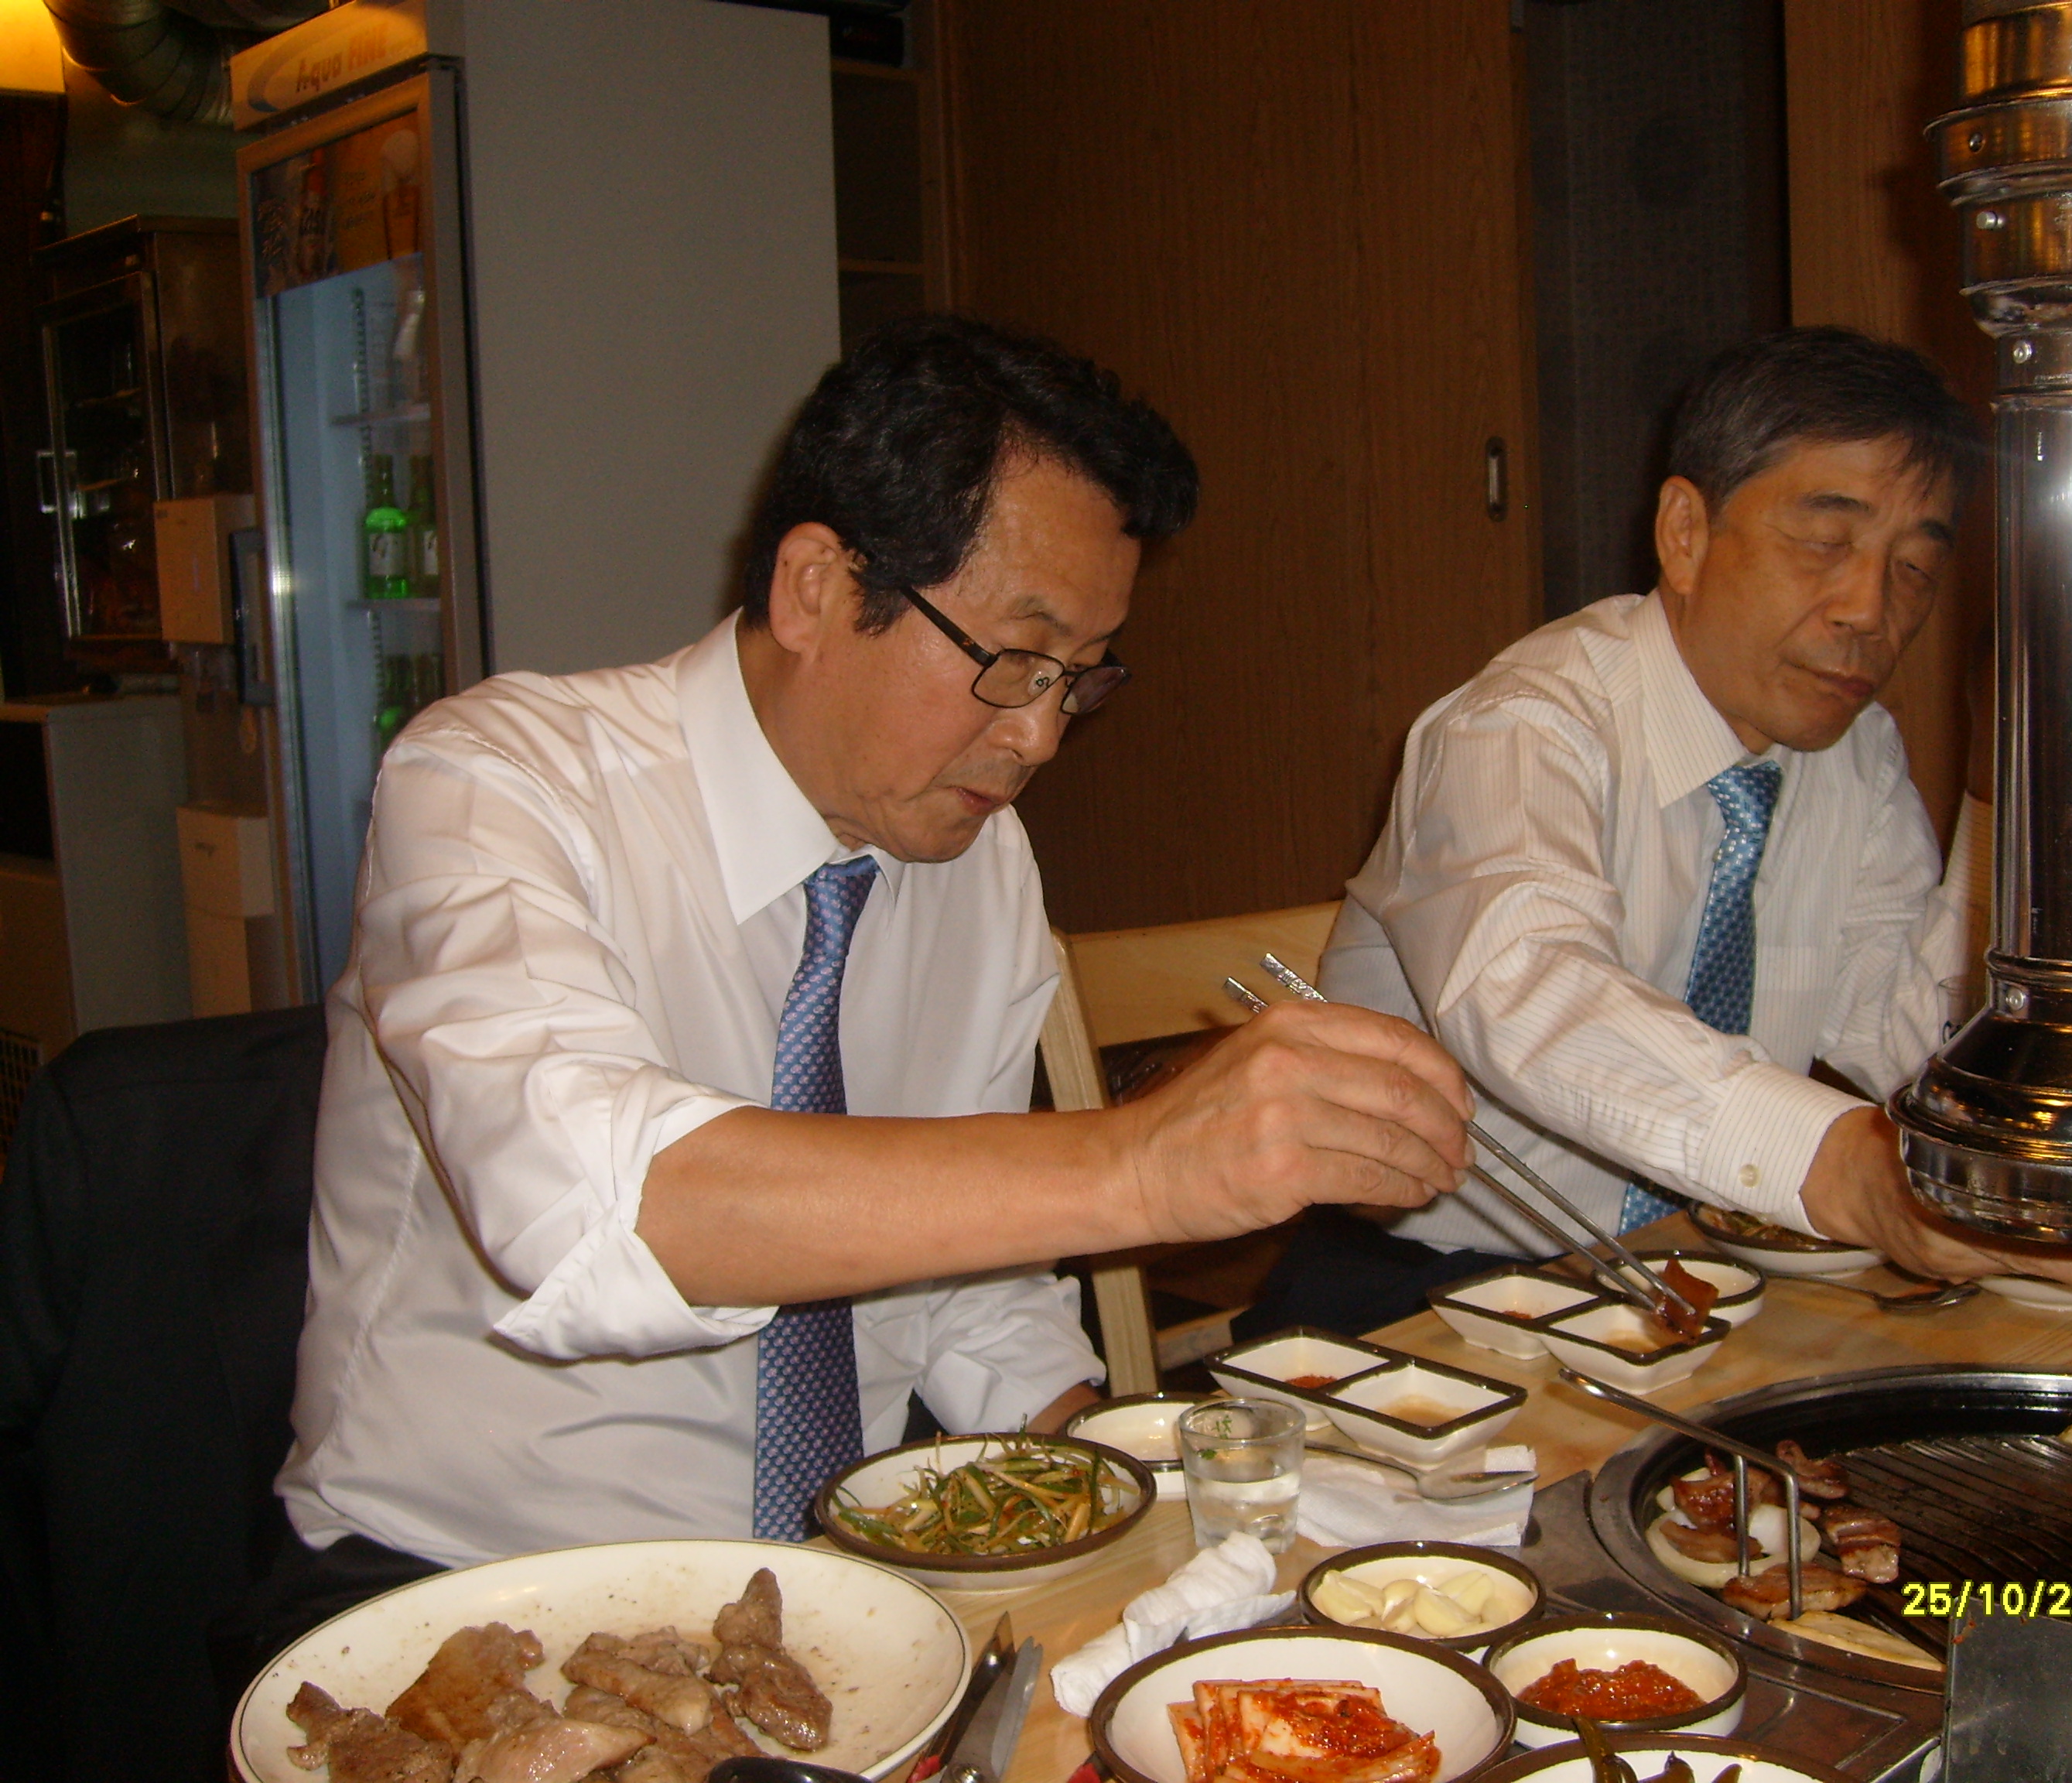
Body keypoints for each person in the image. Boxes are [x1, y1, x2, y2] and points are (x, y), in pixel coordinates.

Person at [259, 316, 1473, 1636]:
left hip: (853, 1586)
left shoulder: (976, 860)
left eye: (1079, 679)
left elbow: (967, 1283)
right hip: (467, 1586)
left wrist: (1138, 1481)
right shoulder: (497, 783)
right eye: (1013, 662)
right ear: (816, 590)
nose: (1040, 737)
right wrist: (1137, 1163)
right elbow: (597, 1210)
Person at [1242, 326, 2072, 1337]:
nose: (1871, 610)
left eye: (1916, 567)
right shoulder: (1521, 727)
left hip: (1697, 1277)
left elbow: (1916, 1044)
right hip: (1422, 1294)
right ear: (1685, 533)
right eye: (1825, 543)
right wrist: (1836, 1163)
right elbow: (1534, 991)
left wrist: (1998, 785)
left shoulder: (1855, 754)